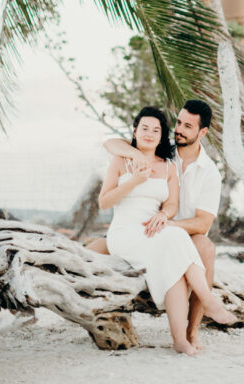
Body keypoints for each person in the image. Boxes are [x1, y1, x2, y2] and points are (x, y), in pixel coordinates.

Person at [98, 105, 235, 355]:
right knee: (174, 239)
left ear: (202, 132)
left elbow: (176, 207)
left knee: (178, 252)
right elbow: (104, 200)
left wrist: (164, 215)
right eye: (145, 128)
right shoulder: (121, 161)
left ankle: (182, 339)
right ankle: (208, 300)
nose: (179, 130)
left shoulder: (175, 167)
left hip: (158, 230)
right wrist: (136, 172)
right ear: (135, 130)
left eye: (156, 130)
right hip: (126, 231)